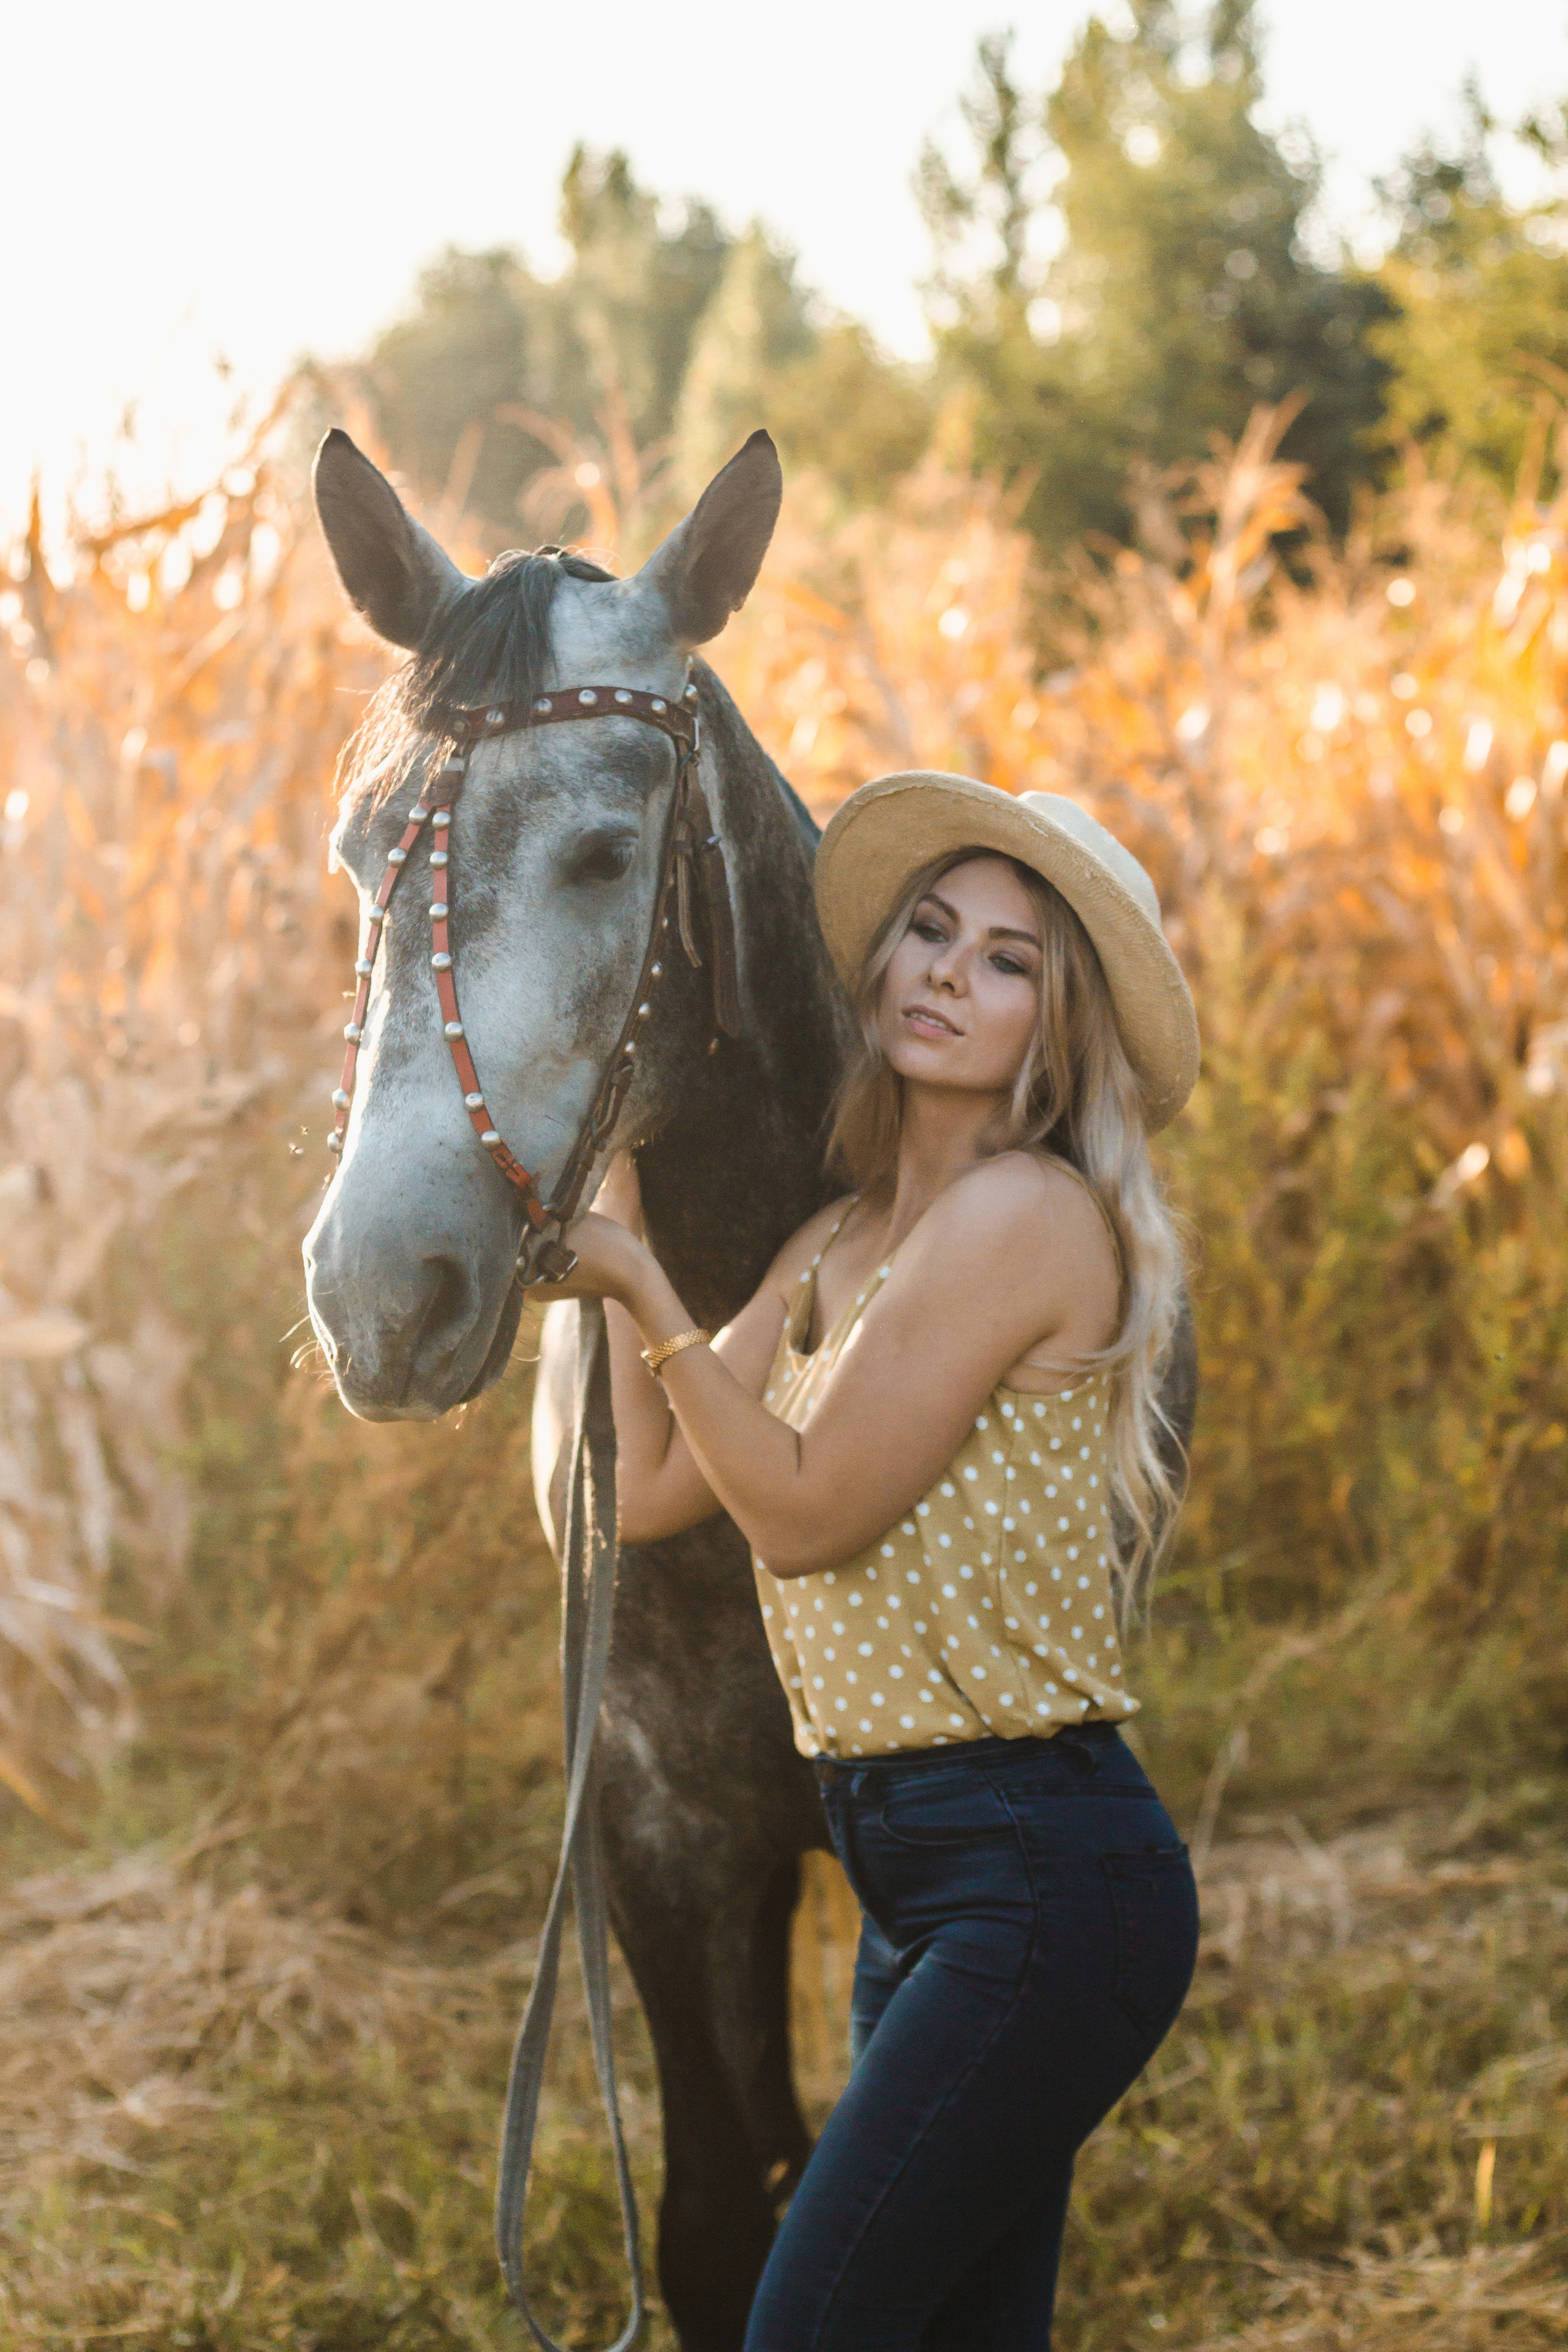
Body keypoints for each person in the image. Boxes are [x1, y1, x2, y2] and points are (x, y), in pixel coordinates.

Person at [536, 770, 1202, 2350]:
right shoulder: (834, 1243)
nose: (946, 976)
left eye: (1008, 961)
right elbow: (650, 1493)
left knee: (810, 2328)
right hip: (925, 1882)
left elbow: (807, 1508)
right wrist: (619, 1192)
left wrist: (647, 1285)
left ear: (1059, 1030)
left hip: (1041, 1870)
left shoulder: (1027, 1220)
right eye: (930, 932)